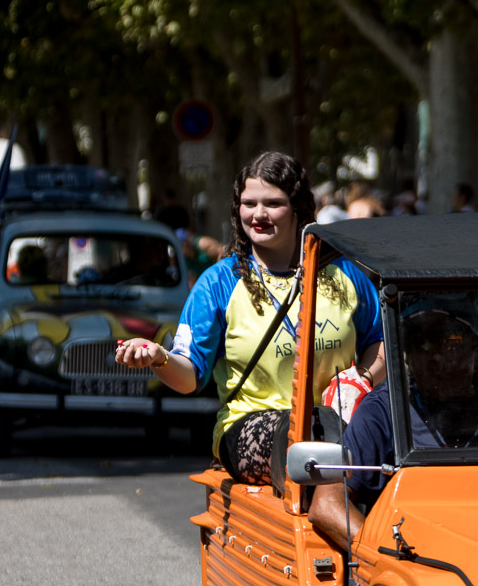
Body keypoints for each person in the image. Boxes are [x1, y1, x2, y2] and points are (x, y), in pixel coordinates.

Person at [114, 151, 385, 485]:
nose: (258, 214)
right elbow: (188, 378)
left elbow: (381, 343)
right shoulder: (218, 283)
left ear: (298, 209)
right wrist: (159, 357)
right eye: (248, 203)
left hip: (340, 423)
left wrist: (363, 377)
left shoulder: (345, 274)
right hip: (252, 427)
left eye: (272, 203)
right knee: (302, 441)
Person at [308, 295, 478, 549]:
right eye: (419, 343)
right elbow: (326, 504)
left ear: (477, 347)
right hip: (419, 561)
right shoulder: (383, 410)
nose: (434, 357)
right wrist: (385, 557)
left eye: (450, 343)